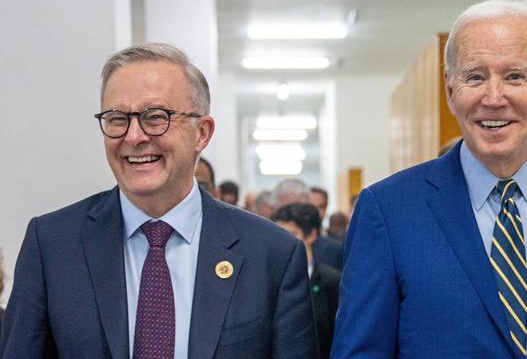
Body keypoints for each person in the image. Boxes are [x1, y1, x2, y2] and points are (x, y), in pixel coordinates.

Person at [332, 0, 527, 358]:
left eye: (514, 76)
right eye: (475, 77)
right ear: (451, 90)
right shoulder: (388, 212)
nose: (494, 98)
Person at [0, 43, 318, 358]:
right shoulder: (54, 245)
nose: (134, 136)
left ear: (202, 133)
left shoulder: (271, 254)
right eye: (117, 118)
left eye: (155, 117)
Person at [272, 203, 341, 359]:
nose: (282, 242)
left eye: (290, 234)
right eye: (278, 234)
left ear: (311, 235)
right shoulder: (270, 279)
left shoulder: (332, 281)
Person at [273, 179, 344, 271]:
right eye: (285, 209)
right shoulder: (267, 246)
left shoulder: (334, 251)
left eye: (298, 208)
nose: (291, 213)